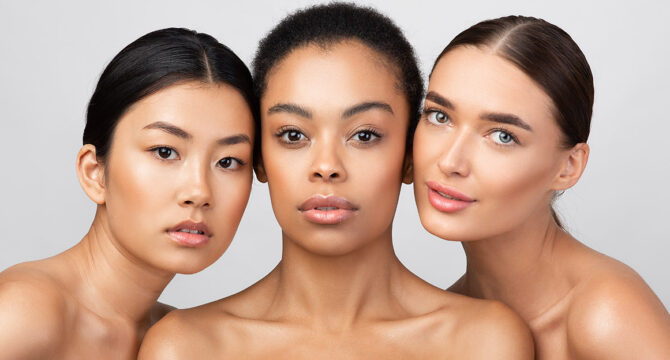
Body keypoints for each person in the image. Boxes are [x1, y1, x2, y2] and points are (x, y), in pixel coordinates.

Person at [139, 4, 533, 359]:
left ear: (411, 158)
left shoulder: (485, 341)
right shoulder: (185, 347)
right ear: (259, 159)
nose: (326, 167)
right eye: (293, 135)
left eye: (364, 135)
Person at [412, 15, 670, 359]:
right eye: (439, 116)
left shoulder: (607, 317)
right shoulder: (450, 324)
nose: (450, 162)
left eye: (503, 136)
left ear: (568, 166)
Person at [0, 27, 257, 359]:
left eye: (228, 161)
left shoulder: (179, 339)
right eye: (165, 152)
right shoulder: (22, 314)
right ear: (95, 173)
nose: (199, 191)